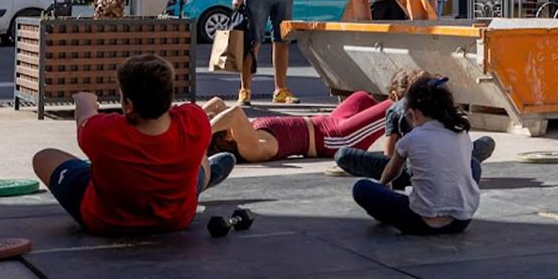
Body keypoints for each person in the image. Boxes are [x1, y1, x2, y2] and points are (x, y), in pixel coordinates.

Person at [32, 55, 234, 235]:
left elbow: (85, 117)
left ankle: (95, 174)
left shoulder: (103, 131)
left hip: (106, 222)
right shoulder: (194, 120)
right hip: (176, 219)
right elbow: (191, 121)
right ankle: (203, 179)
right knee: (198, 154)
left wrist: (85, 102)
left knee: (44, 157)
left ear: (128, 104)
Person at [351, 76, 482, 235]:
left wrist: (383, 185)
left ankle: (385, 214)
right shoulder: (460, 132)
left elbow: (392, 171)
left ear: (414, 113)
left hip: (421, 222)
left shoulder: (411, 138)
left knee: (362, 188)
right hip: (460, 221)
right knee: (473, 164)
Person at [335, 68, 496, 186]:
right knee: (481, 150)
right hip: (451, 167)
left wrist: (383, 181)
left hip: (412, 171)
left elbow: (389, 155)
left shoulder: (399, 110)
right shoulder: (445, 106)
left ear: (397, 95)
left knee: (344, 155)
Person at [205, 91, 392, 163]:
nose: (212, 115)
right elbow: (235, 113)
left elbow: (217, 101)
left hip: (328, 121)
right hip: (336, 138)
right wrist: (203, 131)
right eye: (212, 119)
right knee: (396, 106)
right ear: (226, 136)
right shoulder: (249, 149)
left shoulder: (236, 133)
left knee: (362, 97)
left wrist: (192, 120)